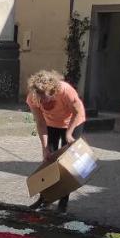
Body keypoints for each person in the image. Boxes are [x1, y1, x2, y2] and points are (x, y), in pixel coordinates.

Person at [25, 69, 87, 213]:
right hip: (51, 123)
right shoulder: (33, 98)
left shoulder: (65, 91)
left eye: (44, 96)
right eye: (38, 96)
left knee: (68, 164)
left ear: (53, 91)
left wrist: (69, 134)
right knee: (49, 161)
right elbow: (40, 123)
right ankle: (44, 199)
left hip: (73, 122)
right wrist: (45, 147)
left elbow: (77, 112)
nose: (41, 101)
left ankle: (63, 203)